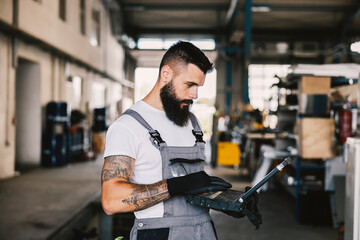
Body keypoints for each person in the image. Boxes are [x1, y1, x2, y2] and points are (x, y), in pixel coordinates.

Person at [101, 41, 258, 240]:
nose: (195, 95)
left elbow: (193, 187)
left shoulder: (192, 123)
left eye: (198, 86)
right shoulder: (128, 126)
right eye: (190, 84)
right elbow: (111, 200)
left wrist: (228, 202)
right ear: (166, 74)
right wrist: (176, 186)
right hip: (157, 234)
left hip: (203, 232)